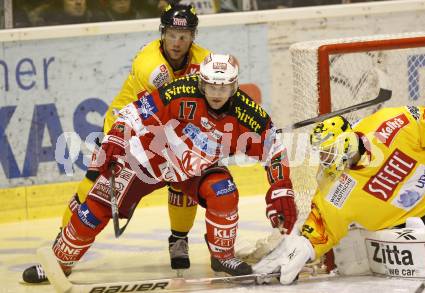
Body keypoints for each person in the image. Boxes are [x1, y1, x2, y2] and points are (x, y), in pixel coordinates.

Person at [30, 53, 298, 279]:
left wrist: (282, 187)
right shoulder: (179, 90)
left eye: (224, 87)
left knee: (224, 191)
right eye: (212, 86)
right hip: (148, 158)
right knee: (97, 206)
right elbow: (134, 112)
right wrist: (115, 138)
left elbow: (274, 148)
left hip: (194, 168)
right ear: (202, 83)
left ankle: (222, 256)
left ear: (234, 86)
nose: (217, 94)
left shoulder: (247, 113)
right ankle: (59, 262)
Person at [22, 3, 211, 283]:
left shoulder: (205, 60)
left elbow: (215, 97)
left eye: (184, 36)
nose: (177, 42)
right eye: (171, 34)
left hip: (169, 132)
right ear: (162, 33)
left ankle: (178, 239)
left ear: (193, 36)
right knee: (91, 187)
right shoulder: (151, 67)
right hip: (125, 130)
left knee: (185, 177)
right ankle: (61, 250)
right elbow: (170, 106)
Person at [253, 106, 425, 284]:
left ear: (346, 142)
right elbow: (324, 225)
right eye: (322, 155)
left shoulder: (390, 125)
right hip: (412, 227)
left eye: (329, 152)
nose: (326, 161)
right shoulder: (334, 187)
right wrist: (303, 246)